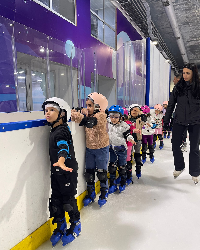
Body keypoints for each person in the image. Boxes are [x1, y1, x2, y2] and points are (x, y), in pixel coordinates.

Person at [42, 97, 81, 247]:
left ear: (62, 114)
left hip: (67, 170)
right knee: (56, 200)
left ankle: (76, 224)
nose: (48, 113)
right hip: (57, 170)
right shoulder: (55, 129)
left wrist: (62, 159)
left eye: (52, 110)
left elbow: (63, 146)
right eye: (46, 110)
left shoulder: (61, 131)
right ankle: (60, 225)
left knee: (68, 200)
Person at [71, 92, 109, 207]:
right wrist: (75, 111)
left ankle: (104, 192)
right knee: (89, 173)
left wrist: (79, 114)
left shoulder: (101, 115)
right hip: (90, 148)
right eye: (87, 105)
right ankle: (91, 192)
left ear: (98, 106)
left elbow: (90, 123)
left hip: (101, 148)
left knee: (101, 172)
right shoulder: (90, 115)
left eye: (90, 105)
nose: (88, 108)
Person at [164, 63, 200, 184]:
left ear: (193, 73)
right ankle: (179, 166)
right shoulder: (178, 87)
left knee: (194, 148)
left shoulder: (198, 87)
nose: (184, 75)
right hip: (179, 120)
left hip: (195, 121)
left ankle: (195, 172)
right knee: (175, 145)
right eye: (183, 73)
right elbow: (171, 105)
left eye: (187, 73)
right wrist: (166, 120)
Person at [107, 105, 136, 194]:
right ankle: (112, 184)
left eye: (116, 117)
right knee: (112, 167)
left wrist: (131, 139)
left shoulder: (124, 126)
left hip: (121, 149)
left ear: (120, 117)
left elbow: (127, 134)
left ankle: (122, 182)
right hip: (112, 148)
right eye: (112, 116)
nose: (113, 119)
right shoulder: (107, 124)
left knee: (122, 167)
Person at [129, 104, 146, 178]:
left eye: (136, 110)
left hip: (137, 139)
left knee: (137, 154)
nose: (134, 112)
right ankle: (128, 171)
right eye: (132, 110)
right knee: (129, 155)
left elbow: (145, 119)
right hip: (129, 140)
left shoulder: (140, 119)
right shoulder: (127, 119)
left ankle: (138, 168)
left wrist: (141, 112)